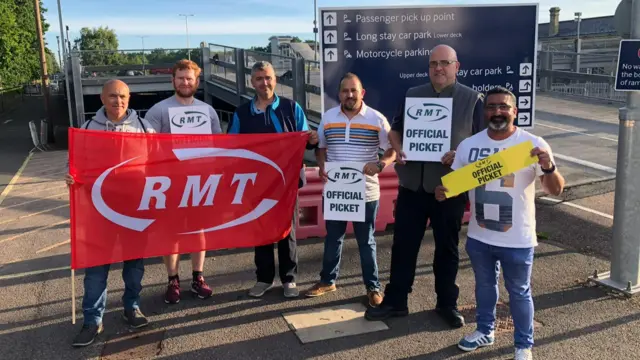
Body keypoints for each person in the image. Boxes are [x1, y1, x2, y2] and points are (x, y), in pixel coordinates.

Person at [436, 86, 564, 360]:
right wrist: (444, 190)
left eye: (504, 106)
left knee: (519, 292)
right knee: (484, 287)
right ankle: (485, 330)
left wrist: (550, 167)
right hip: (480, 236)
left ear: (514, 111)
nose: (497, 111)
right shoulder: (469, 145)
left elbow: (556, 190)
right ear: (484, 112)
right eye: (492, 106)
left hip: (517, 237)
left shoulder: (532, 144)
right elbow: (455, 186)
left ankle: (523, 345)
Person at [364, 44, 485, 327]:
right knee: (403, 245)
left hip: (449, 187)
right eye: (433, 64)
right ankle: (396, 301)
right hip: (411, 186)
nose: (438, 69)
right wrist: (400, 149)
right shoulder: (412, 95)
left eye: (445, 63)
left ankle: (446, 303)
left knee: (447, 248)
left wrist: (461, 155)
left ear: (457, 66)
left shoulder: (473, 99)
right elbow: (395, 130)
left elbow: (483, 145)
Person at [67, 79, 155, 347]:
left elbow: (160, 164)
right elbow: (74, 163)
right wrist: (71, 176)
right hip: (98, 211)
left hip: (133, 209)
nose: (119, 101)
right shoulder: (87, 129)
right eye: (113, 96)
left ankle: (132, 307)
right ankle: (92, 321)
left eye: (124, 97)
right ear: (102, 99)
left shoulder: (144, 128)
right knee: (95, 270)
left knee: (134, 265)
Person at [227, 60, 318, 298]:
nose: (264, 82)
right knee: (261, 231)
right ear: (252, 82)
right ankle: (264, 278)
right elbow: (231, 147)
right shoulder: (241, 113)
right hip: (256, 182)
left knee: (288, 231)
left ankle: (290, 279)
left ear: (275, 80)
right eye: (259, 78)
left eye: (268, 77)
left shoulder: (291, 107)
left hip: (287, 182)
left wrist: (313, 138)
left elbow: (305, 137)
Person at [305, 72, 395, 307]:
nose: (350, 94)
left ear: (362, 93)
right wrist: (322, 164)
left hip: (366, 192)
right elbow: (320, 147)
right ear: (339, 94)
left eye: (354, 90)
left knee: (366, 241)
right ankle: (327, 280)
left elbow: (392, 150)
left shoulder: (376, 118)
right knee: (333, 238)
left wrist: (380, 164)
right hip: (336, 190)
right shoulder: (328, 118)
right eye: (345, 91)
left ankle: (373, 287)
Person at [145, 59, 222, 304]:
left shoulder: (207, 111)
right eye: (180, 78)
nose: (185, 82)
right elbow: (148, 147)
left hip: (201, 181)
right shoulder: (158, 110)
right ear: (173, 81)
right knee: (172, 233)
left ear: (196, 82)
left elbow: (219, 145)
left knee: (199, 230)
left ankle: (198, 277)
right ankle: (173, 279)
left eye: (189, 78)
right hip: (171, 182)